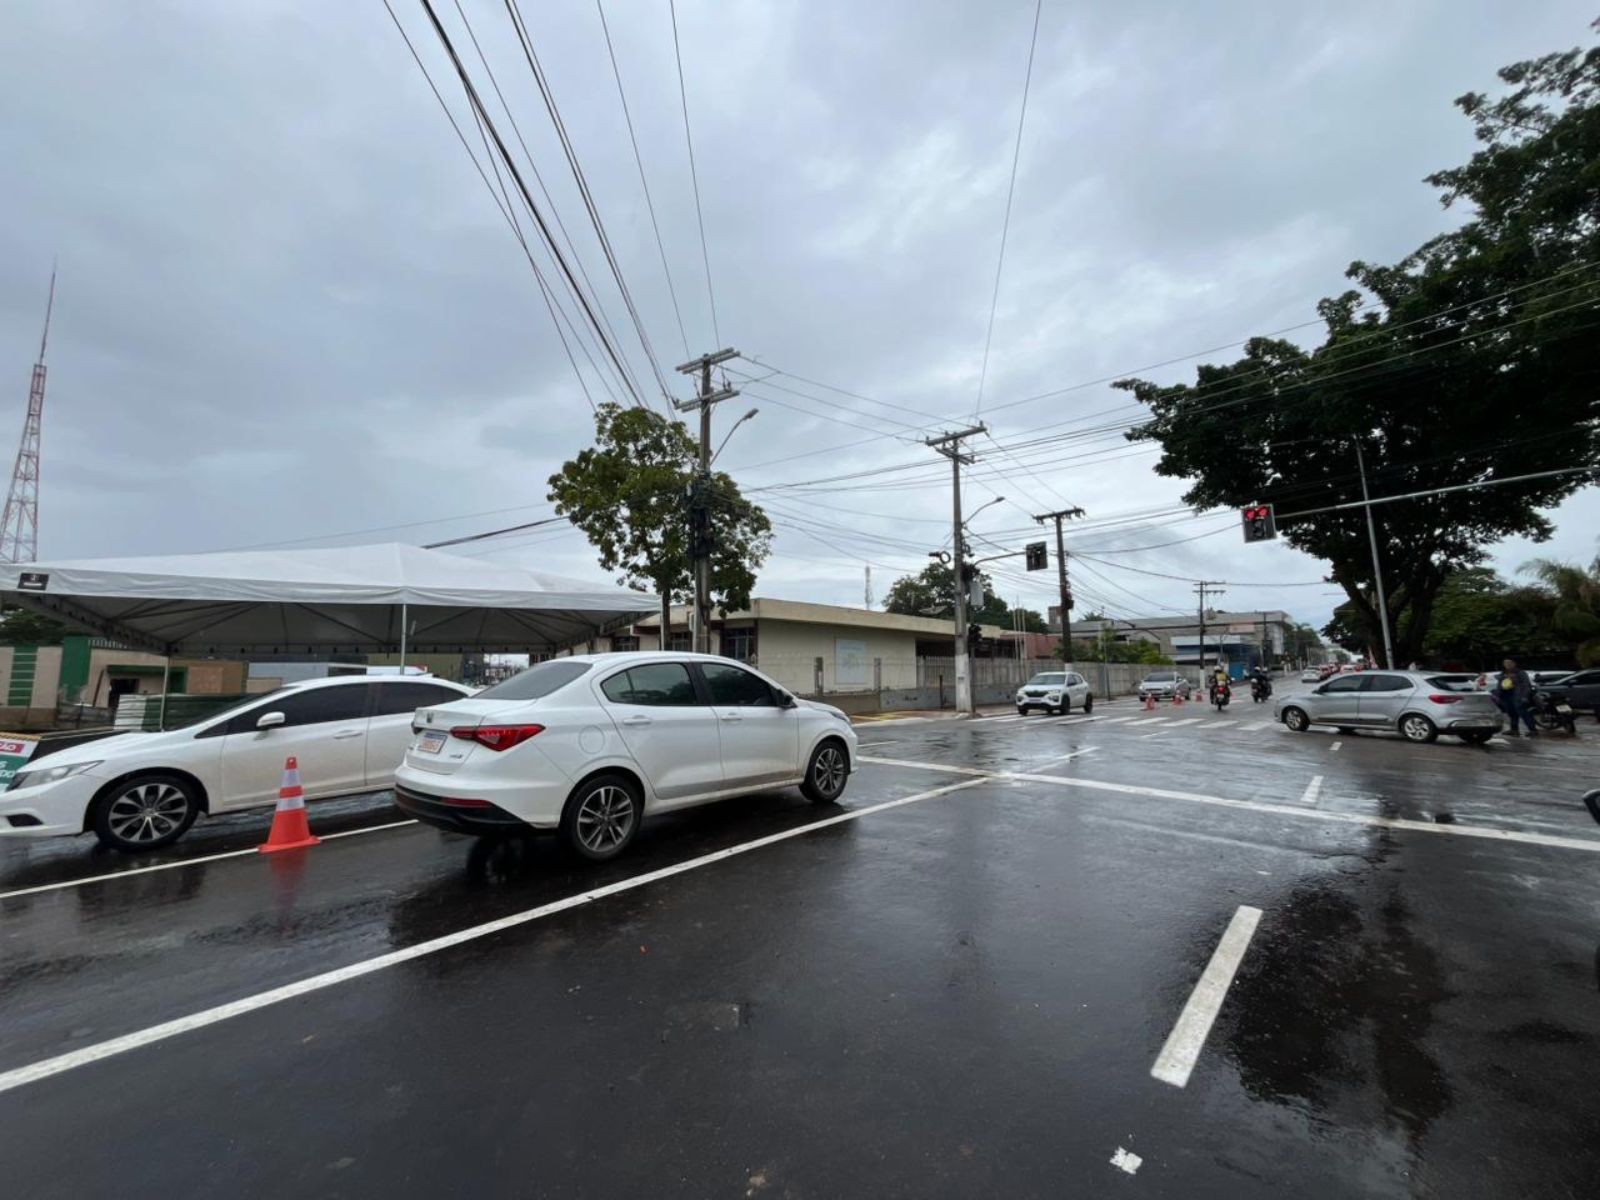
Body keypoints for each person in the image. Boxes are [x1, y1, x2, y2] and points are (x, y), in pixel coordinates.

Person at [1497, 657, 1537, 737]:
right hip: (1507, 695)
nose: (1507, 665)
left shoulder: (1520, 673)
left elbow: (1526, 685)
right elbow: (1500, 684)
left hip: (1518, 695)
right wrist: (1499, 694)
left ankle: (1532, 730)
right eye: (1505, 663)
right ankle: (1514, 729)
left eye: (1509, 663)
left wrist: (1525, 696)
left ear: (1514, 663)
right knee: (1512, 713)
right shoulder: (1503, 673)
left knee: (1523, 712)